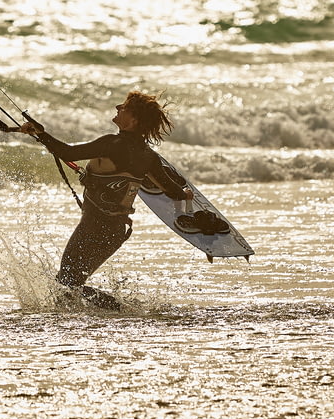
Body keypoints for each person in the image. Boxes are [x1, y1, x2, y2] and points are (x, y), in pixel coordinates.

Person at [17, 91, 202, 307]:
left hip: (93, 226)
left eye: (123, 107)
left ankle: (119, 309)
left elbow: (67, 153)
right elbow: (173, 192)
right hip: (115, 232)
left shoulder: (111, 144)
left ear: (133, 120)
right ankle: (119, 309)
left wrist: (40, 133)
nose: (117, 107)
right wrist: (186, 195)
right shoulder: (148, 157)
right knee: (71, 283)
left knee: (67, 283)